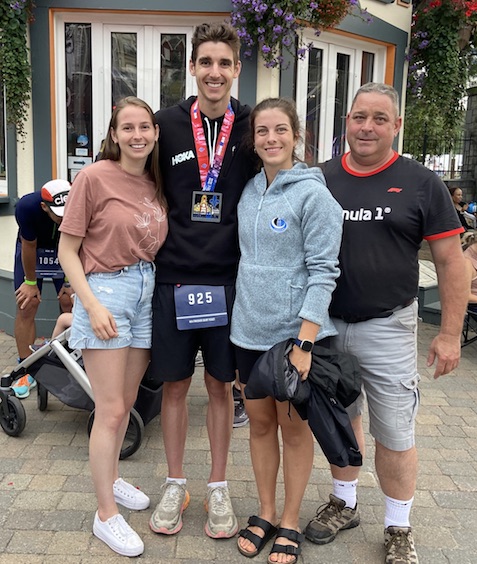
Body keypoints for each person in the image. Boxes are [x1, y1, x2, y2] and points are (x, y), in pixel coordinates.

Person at [304, 83, 469, 564]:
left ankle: (398, 526)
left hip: (389, 325)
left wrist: (450, 332)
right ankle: (344, 503)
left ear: (396, 125)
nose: (367, 126)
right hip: (328, 324)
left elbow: (450, 263)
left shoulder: (421, 183)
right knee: (341, 420)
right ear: (347, 122)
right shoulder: (321, 178)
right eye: (359, 116)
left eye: (380, 118)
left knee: (394, 432)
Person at [148, 21, 257, 540]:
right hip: (172, 280)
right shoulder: (165, 124)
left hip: (229, 282)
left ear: (237, 70)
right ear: (192, 67)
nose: (215, 73)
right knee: (173, 387)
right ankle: (175, 482)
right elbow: (126, 180)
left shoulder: (255, 126)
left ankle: (217, 485)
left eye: (225, 64)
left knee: (219, 386)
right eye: (206, 62)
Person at [231, 97, 343, 564]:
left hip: (292, 339)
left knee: (294, 432)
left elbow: (324, 272)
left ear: (297, 136)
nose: (271, 138)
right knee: (259, 427)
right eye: (262, 131)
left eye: (281, 130)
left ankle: (291, 521)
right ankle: (266, 512)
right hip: (247, 334)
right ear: (253, 140)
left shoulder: (314, 195)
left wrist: (305, 340)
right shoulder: (250, 190)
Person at [58, 96, 168, 557]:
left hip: (147, 291)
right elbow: (68, 250)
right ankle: (106, 515)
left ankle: (115, 479)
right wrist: (92, 305)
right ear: (114, 135)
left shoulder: (156, 183)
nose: (137, 135)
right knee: (108, 409)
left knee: (125, 403)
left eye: (145, 127)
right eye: (128, 128)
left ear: (155, 134)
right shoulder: (94, 177)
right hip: (106, 291)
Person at [12, 179, 73, 398]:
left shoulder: (79, 201)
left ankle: (70, 358)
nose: (63, 216)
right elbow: (29, 245)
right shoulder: (27, 206)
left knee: (70, 301)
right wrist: (30, 283)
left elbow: (77, 243)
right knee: (27, 304)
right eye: (58, 213)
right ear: (44, 207)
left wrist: (68, 282)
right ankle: (25, 369)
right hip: (34, 251)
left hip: (65, 249)